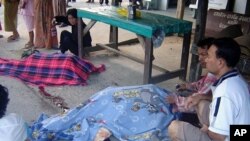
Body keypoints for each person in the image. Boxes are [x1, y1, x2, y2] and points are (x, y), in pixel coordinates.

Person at [168, 37, 250, 141]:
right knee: (200, 102)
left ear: (220, 62)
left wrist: (208, 131)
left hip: (224, 137)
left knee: (174, 128)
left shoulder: (224, 91)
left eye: (209, 56)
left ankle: (206, 130)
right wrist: (200, 96)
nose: (205, 59)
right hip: (240, 133)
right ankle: (208, 128)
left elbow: (219, 137)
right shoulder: (236, 79)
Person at [166, 38, 217, 113]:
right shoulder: (212, 74)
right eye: (199, 54)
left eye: (204, 55)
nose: (200, 58)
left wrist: (176, 100)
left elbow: (197, 98)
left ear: (219, 60)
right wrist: (188, 86)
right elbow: (200, 85)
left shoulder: (213, 79)